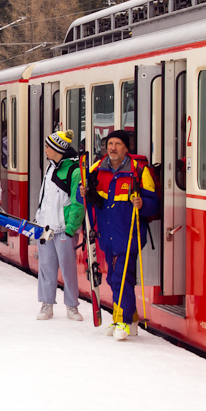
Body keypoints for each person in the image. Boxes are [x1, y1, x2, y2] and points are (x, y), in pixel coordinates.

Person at [82, 129, 159, 340]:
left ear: (126, 147)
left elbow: (154, 205)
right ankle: (130, 320)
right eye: (110, 144)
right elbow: (87, 202)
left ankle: (122, 321)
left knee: (121, 278)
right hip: (107, 234)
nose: (112, 148)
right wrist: (84, 194)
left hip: (130, 233)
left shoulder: (139, 171)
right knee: (115, 278)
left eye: (117, 144)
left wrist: (142, 204)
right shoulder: (97, 169)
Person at [34, 130, 84, 321]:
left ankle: (72, 306)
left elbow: (77, 202)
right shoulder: (50, 168)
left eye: (48, 147)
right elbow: (44, 197)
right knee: (46, 266)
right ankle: (47, 304)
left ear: (57, 149)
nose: (45, 150)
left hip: (63, 230)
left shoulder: (74, 171)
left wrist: (71, 228)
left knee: (68, 268)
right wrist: (39, 220)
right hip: (45, 228)